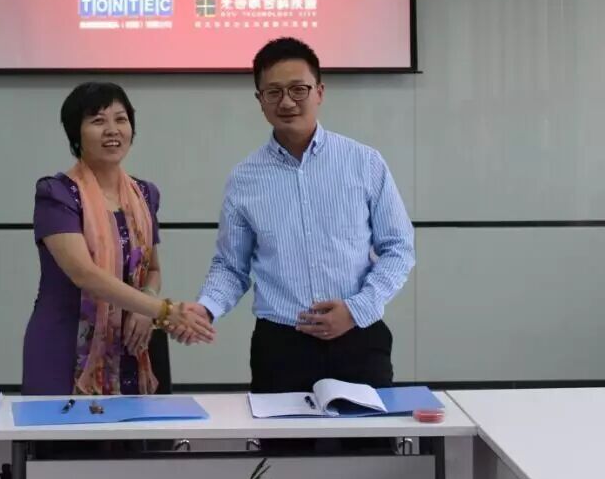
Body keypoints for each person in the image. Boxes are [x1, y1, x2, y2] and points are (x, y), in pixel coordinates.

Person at [176, 37, 415, 422]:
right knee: (284, 455)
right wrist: (206, 308)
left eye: (298, 89)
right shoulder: (245, 178)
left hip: (358, 337)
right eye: (273, 92)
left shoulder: (364, 162)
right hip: (281, 348)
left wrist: (357, 309)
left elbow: (399, 248)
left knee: (369, 451)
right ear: (260, 100)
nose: (286, 102)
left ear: (319, 92)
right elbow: (232, 267)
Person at [22, 82, 215, 397]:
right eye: (98, 120)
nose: (112, 130)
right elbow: (85, 274)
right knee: (63, 429)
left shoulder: (144, 194)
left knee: (134, 429)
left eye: (121, 119)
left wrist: (145, 307)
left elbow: (152, 270)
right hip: (65, 347)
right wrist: (163, 310)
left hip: (131, 345)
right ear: (76, 133)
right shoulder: (56, 194)